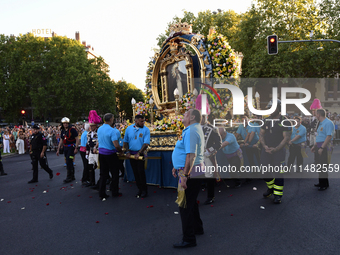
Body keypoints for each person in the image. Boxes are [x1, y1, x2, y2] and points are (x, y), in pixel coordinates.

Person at [172, 109, 204, 248]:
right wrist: (176, 166)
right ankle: (197, 228)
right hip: (193, 171)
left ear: (192, 117)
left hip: (190, 173)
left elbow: (191, 155)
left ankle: (189, 239)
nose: (182, 116)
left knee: (184, 205)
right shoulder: (192, 129)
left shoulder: (191, 131)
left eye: (185, 114)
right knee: (191, 203)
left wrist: (184, 175)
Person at [259, 100, 291, 204]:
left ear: (278, 108)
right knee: (264, 172)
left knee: (278, 173)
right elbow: (261, 134)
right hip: (266, 150)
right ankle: (271, 188)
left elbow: (286, 138)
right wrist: (265, 146)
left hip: (279, 151)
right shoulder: (266, 120)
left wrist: (276, 149)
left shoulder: (285, 121)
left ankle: (278, 195)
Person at [195, 94, 222, 205]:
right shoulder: (194, 129)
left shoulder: (213, 129)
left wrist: (209, 150)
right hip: (196, 156)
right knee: (196, 177)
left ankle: (211, 196)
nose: (202, 118)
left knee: (209, 176)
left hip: (207, 156)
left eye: (204, 116)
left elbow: (219, 143)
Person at [124, 115, 150, 198]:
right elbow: (125, 141)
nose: (143, 123)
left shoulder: (146, 130)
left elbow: (146, 144)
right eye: (141, 121)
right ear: (136, 121)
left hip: (140, 154)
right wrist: (127, 151)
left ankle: (144, 190)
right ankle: (139, 189)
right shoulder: (128, 129)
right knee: (135, 172)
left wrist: (139, 153)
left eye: (143, 121)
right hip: (131, 154)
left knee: (141, 172)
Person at [97, 113, 123, 200]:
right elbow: (116, 144)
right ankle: (114, 191)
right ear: (111, 120)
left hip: (101, 153)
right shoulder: (112, 131)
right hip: (110, 154)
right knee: (115, 173)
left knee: (103, 174)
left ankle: (102, 193)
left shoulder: (99, 129)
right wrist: (120, 151)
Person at [311, 109, 335, 190]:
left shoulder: (328, 123)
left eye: (315, 114)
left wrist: (321, 147)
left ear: (318, 114)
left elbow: (329, 136)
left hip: (324, 147)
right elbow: (319, 136)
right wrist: (315, 146)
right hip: (319, 145)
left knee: (323, 166)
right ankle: (322, 182)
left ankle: (324, 185)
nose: (315, 115)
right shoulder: (320, 123)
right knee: (319, 165)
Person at [56, 117, 79, 183]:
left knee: (69, 161)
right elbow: (61, 140)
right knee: (68, 162)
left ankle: (69, 177)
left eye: (66, 123)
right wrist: (58, 148)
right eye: (64, 123)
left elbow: (77, 139)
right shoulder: (63, 131)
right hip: (65, 148)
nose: (65, 124)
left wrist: (76, 148)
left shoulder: (72, 130)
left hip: (71, 148)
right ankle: (72, 176)